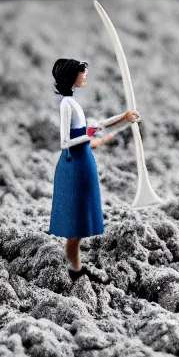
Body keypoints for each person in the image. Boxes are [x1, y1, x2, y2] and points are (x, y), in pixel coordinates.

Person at [48, 58, 140, 271]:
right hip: (74, 164)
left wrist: (124, 117)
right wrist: (88, 136)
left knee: (81, 218)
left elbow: (96, 124)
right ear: (71, 76)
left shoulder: (73, 102)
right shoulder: (66, 104)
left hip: (84, 162)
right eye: (82, 73)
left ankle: (75, 266)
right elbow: (64, 142)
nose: (85, 76)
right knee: (75, 222)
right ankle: (74, 268)